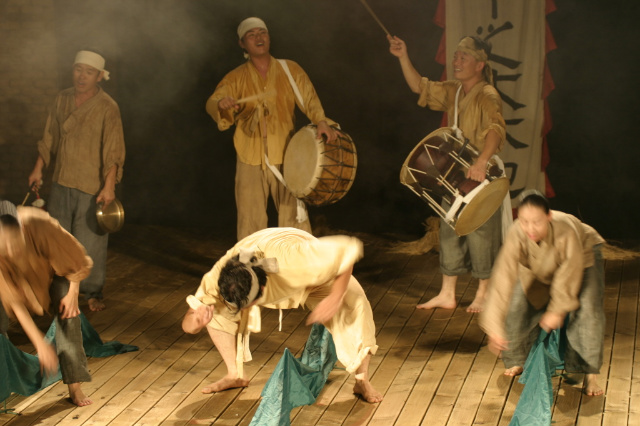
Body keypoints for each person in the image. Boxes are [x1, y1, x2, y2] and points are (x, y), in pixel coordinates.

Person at [181, 227, 383, 403]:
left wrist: (335, 297)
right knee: (215, 309)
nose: (242, 310)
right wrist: (196, 321)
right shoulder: (219, 276)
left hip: (312, 276)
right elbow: (188, 324)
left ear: (262, 290)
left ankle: (362, 381)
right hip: (271, 270)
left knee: (356, 304)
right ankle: (235, 375)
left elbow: (347, 249)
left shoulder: (295, 257)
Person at [388, 34, 507, 313]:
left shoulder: (487, 94)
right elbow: (420, 87)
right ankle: (447, 293)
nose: (457, 61)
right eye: (455, 56)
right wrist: (403, 56)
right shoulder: (454, 90)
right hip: (454, 174)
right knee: (449, 231)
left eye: (464, 57)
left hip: (480, 175)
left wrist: (481, 161)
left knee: (481, 234)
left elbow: (496, 128)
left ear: (480, 65)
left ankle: (483, 294)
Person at [206, 17, 339, 241]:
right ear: (242, 44)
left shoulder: (290, 69)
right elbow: (212, 102)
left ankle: (298, 259)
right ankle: (252, 261)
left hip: (286, 152)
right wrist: (221, 104)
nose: (259, 37)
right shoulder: (236, 77)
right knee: (250, 216)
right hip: (249, 155)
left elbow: (309, 99)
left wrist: (321, 120)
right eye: (251, 35)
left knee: (294, 214)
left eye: (262, 32)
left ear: (268, 37)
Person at [480, 191, 605, 396]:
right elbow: (502, 279)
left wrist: (557, 310)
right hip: (538, 262)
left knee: (587, 311)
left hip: (582, 257)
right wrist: (494, 328)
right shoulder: (517, 233)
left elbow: (569, 273)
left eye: (536, 222)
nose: (530, 228)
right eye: (524, 222)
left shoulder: (565, 230)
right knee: (518, 302)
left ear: (548, 216)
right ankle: (518, 359)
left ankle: (590, 375)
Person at [28, 50, 125, 312]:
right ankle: (59, 292)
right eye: (78, 69)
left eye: (89, 72)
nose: (82, 76)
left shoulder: (107, 106)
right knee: (59, 240)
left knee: (90, 241)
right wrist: (38, 169)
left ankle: (91, 292)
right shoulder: (62, 99)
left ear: (99, 76)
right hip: (62, 180)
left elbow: (113, 150)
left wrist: (109, 186)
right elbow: (49, 137)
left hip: (91, 185)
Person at [0, 200, 94, 406]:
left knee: (68, 311)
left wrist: (73, 293)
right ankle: (3, 378)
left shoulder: (39, 224)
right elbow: (13, 300)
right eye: (3, 244)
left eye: (13, 242)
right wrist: (39, 343)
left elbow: (75, 259)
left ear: (21, 230)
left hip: (56, 272)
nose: (9, 249)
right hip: (23, 282)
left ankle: (75, 386)